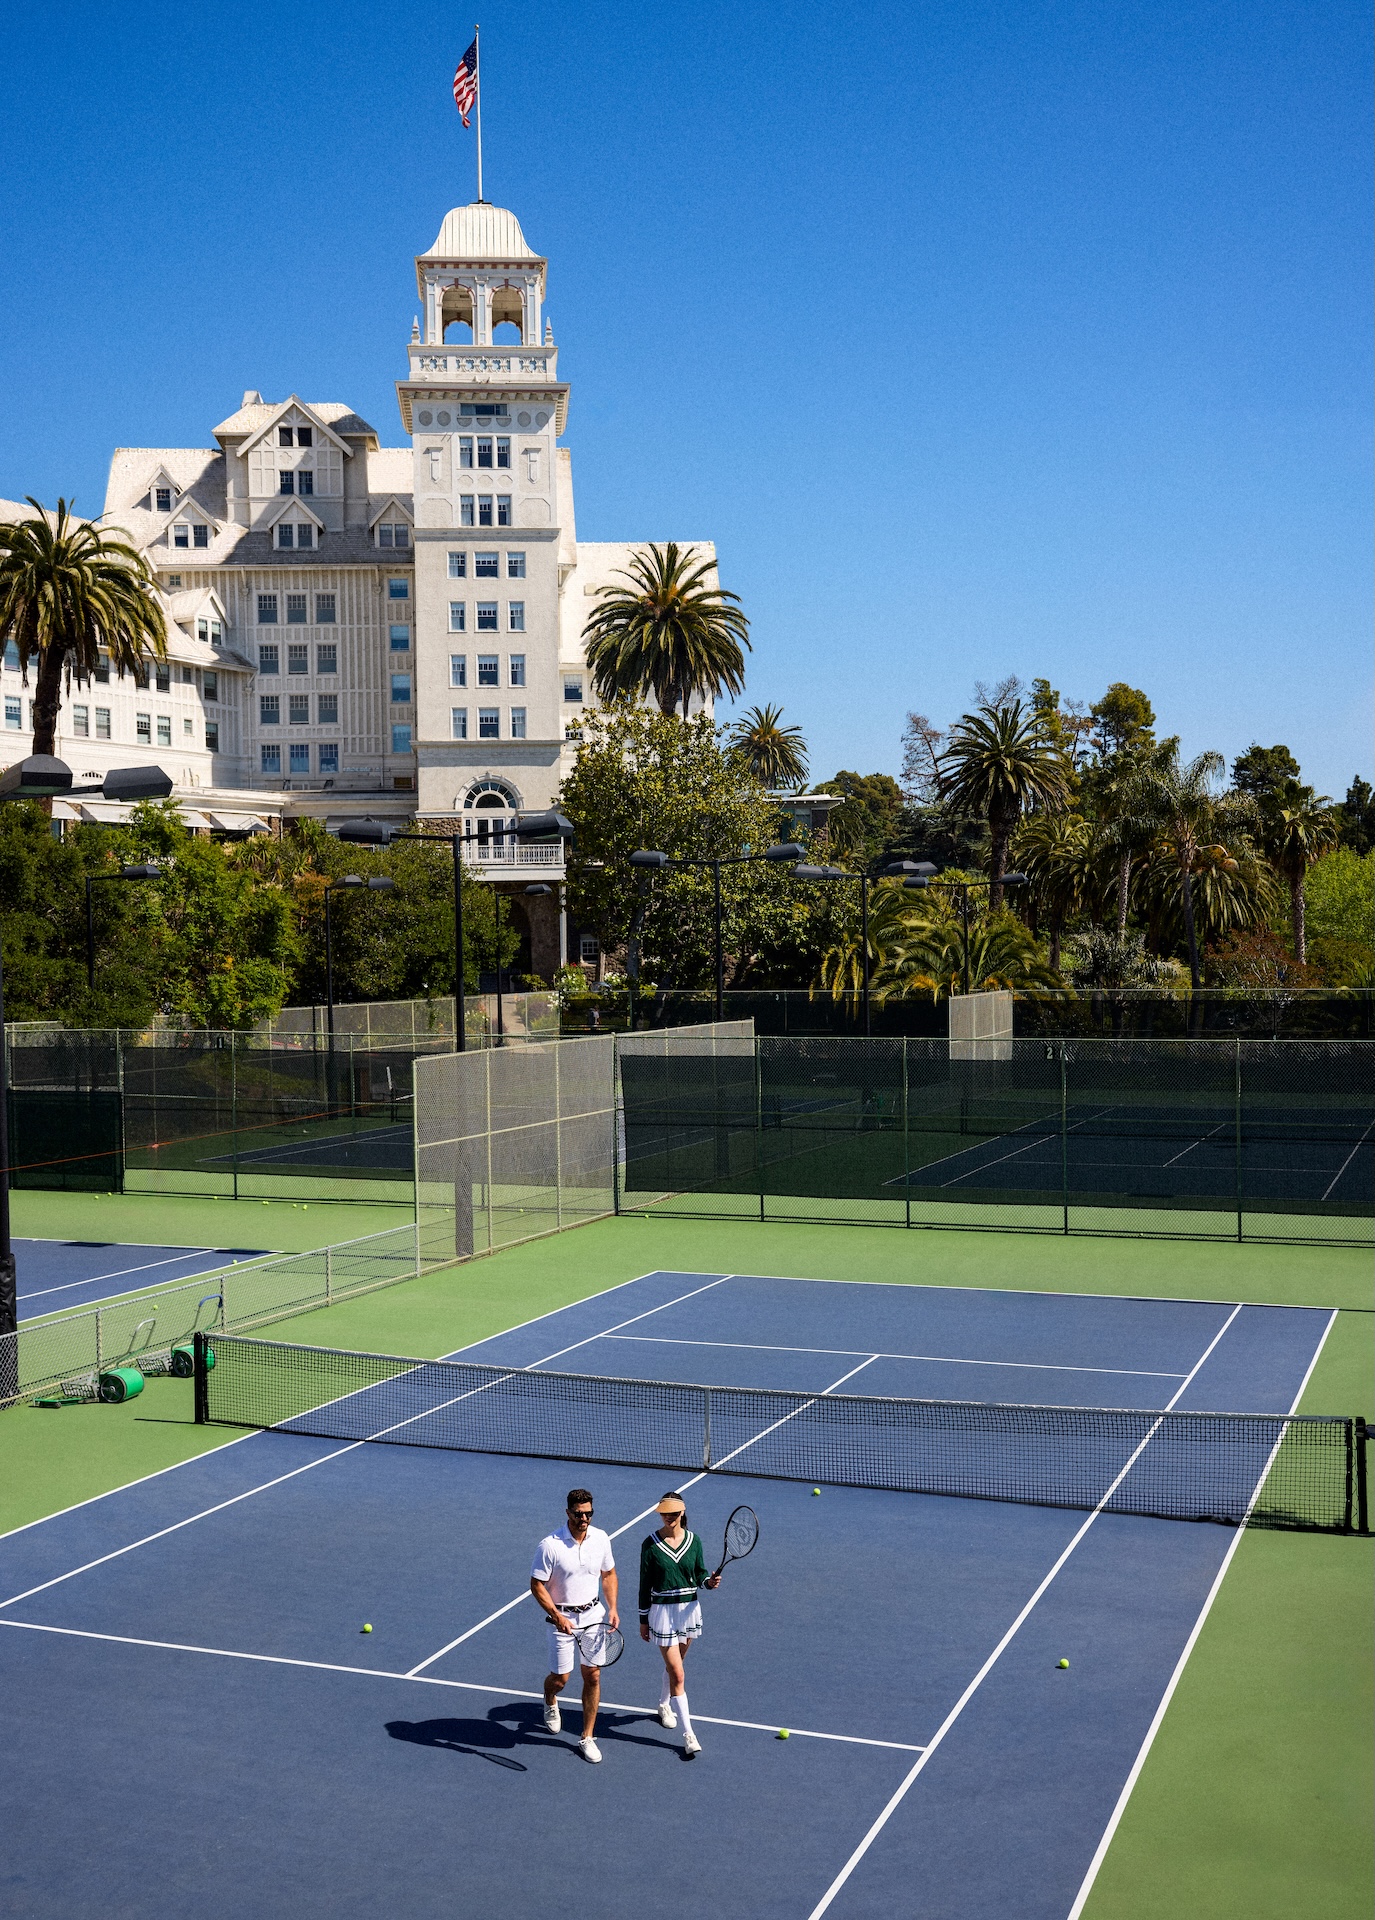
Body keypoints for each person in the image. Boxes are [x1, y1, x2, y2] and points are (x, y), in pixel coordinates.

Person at [530, 1488, 619, 1764]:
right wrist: (557, 1616)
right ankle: (549, 1698)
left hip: (593, 1617)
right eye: (579, 1514)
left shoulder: (601, 1538)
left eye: (588, 1514)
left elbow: (609, 1574)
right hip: (561, 1620)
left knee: (593, 1675)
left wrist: (613, 1607)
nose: (584, 1519)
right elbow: (537, 1585)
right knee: (561, 1679)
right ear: (568, 1512)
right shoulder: (550, 1546)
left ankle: (587, 1736)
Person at [638, 1492, 720, 1758]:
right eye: (665, 1513)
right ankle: (689, 1734)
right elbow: (644, 1585)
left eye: (673, 1512)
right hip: (662, 1614)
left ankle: (664, 1704)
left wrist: (708, 1582)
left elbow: (699, 1574)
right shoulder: (650, 1545)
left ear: (682, 1512)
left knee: (676, 1668)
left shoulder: (694, 1541)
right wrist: (643, 1620)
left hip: (688, 1611)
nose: (669, 1517)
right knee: (679, 1673)